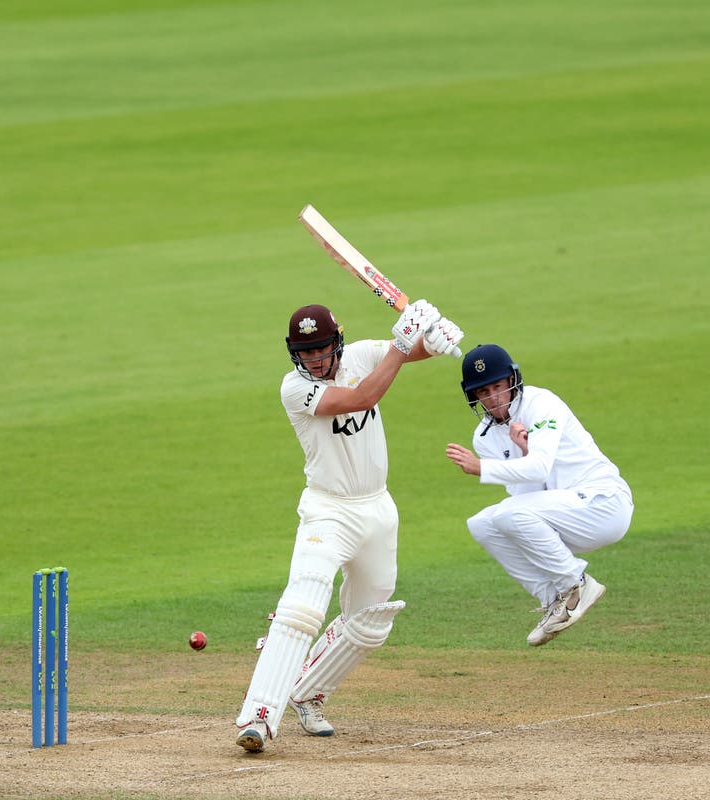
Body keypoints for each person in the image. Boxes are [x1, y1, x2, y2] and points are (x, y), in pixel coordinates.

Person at [235, 300, 465, 753]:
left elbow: (408, 352)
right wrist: (403, 343)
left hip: (377, 509)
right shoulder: (293, 389)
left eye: (321, 350)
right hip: (327, 511)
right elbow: (363, 398)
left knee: (370, 623)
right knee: (304, 605)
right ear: (294, 354)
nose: (315, 360)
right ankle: (259, 716)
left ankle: (307, 692)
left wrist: (434, 341)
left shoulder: (359, 356)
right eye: (306, 353)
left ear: (336, 342)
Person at [444, 344, 633, 647]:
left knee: (505, 513)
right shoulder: (484, 437)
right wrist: (524, 451)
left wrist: (483, 468)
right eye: (483, 391)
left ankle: (576, 584)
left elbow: (540, 468)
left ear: (512, 381)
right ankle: (555, 600)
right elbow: (527, 496)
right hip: (566, 515)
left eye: (498, 386)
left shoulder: (540, 403)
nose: (493, 398)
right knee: (481, 523)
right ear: (474, 396)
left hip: (605, 504)